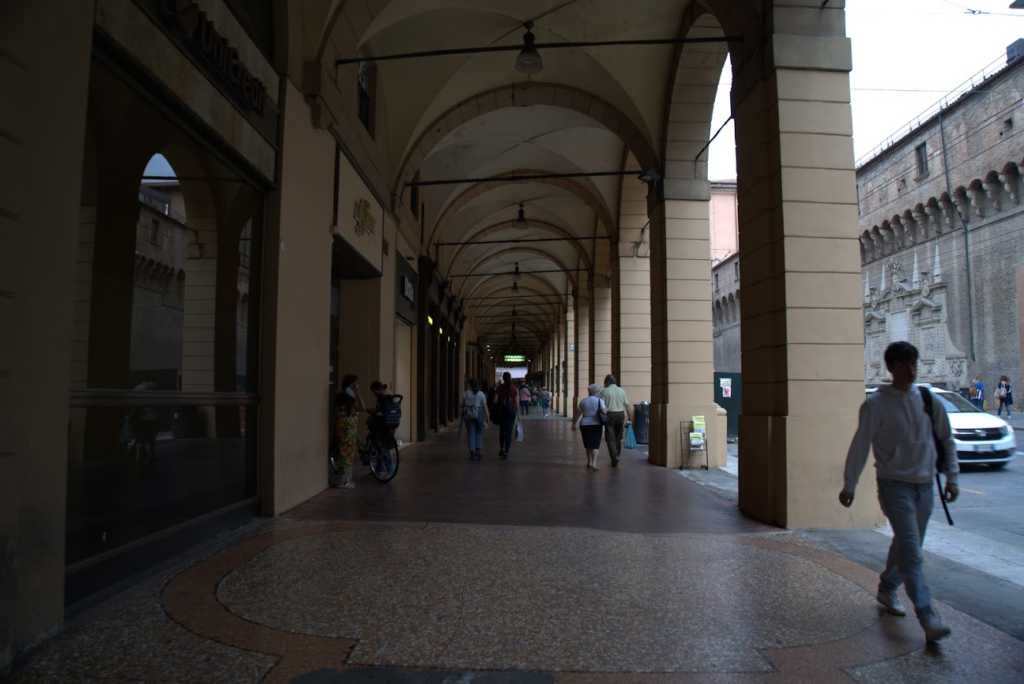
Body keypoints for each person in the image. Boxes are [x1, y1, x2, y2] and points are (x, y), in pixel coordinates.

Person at [839, 341, 959, 643]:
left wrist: (952, 478)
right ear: (890, 367)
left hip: (925, 486)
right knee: (912, 549)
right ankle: (928, 615)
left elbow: (946, 440)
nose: (911, 369)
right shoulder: (876, 405)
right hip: (894, 486)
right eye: (904, 364)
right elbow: (860, 445)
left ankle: (887, 587)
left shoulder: (928, 400)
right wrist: (849, 484)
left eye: (913, 363)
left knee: (908, 544)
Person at [335, 374, 367, 488]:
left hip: (348, 427)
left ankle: (345, 479)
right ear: (351, 385)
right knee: (346, 452)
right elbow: (362, 407)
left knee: (347, 452)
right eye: (356, 384)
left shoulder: (344, 396)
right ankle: (344, 481)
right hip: (347, 427)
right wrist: (358, 392)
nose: (358, 386)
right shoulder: (345, 397)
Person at [572, 383, 608, 471]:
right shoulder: (599, 401)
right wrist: (607, 409)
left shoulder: (583, 401)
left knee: (588, 444)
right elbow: (604, 412)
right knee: (595, 444)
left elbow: (578, 413)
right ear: (596, 391)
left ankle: (589, 461)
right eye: (599, 390)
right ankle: (594, 463)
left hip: (584, 424)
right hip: (596, 424)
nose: (599, 392)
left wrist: (574, 423)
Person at [600, 374, 634, 467]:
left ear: (607, 382)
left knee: (610, 437)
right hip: (620, 414)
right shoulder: (621, 390)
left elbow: (602, 406)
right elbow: (627, 405)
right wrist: (630, 418)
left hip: (609, 415)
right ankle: (617, 454)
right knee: (618, 436)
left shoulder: (604, 391)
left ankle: (614, 456)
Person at [130, 376, 160, 463]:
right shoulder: (155, 388)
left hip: (140, 418)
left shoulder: (137, 388)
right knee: (151, 439)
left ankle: (138, 457)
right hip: (153, 417)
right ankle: (151, 456)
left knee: (140, 438)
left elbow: (133, 404)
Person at [492, 372, 519, 459]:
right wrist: (519, 415)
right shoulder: (514, 388)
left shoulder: (499, 388)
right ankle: (506, 453)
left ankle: (501, 448)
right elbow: (517, 402)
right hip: (512, 411)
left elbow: (495, 401)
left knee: (502, 430)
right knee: (509, 432)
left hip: (502, 411)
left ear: (503, 378)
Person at [460, 378, 489, 459]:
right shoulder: (481, 394)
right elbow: (485, 406)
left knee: (470, 432)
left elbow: (461, 405)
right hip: (479, 413)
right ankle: (478, 450)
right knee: (479, 432)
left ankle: (472, 451)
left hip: (468, 415)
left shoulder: (464, 394)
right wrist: (487, 418)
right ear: (477, 385)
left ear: (469, 384)